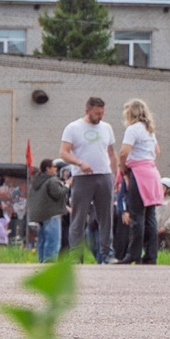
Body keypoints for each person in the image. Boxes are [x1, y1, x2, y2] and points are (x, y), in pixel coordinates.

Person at [60, 96, 116, 262]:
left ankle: (107, 253)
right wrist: (79, 162)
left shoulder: (106, 128)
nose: (100, 117)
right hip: (82, 177)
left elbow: (111, 153)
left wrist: (116, 175)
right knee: (78, 216)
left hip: (104, 175)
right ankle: (76, 255)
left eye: (102, 113)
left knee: (106, 217)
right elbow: (63, 152)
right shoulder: (73, 127)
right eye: (97, 113)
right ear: (87, 111)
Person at [115, 100, 161, 264]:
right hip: (152, 172)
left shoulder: (132, 129)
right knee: (150, 216)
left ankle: (133, 254)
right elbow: (157, 151)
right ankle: (151, 255)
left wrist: (123, 168)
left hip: (139, 174)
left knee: (137, 216)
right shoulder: (149, 130)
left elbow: (123, 152)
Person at [27, 160, 66, 261]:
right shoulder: (52, 180)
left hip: (40, 215)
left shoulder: (36, 180)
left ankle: (42, 260)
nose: (56, 168)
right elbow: (57, 194)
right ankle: (49, 261)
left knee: (42, 240)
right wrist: (67, 185)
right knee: (53, 240)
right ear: (48, 169)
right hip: (51, 214)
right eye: (54, 166)